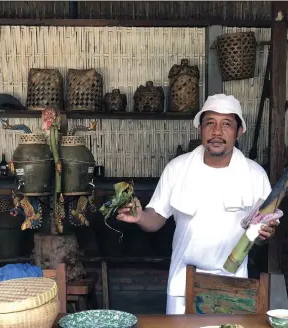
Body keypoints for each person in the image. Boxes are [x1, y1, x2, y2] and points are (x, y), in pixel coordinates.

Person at [116, 94, 277, 315]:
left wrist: (264, 234)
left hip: (232, 285)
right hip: (183, 283)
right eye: (210, 123)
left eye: (227, 124)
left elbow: (260, 234)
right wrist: (141, 217)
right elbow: (156, 219)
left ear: (239, 132)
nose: (217, 132)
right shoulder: (178, 168)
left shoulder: (255, 175)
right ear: (199, 129)